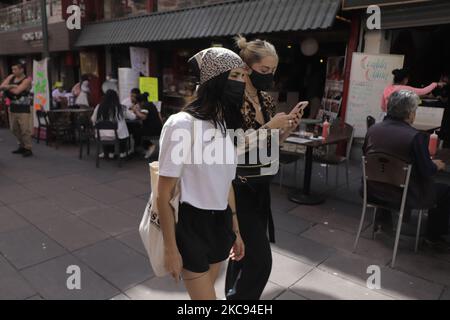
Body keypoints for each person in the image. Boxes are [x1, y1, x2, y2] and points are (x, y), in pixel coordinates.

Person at [157, 47, 246, 300]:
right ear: (215, 80)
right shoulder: (181, 124)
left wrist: (236, 231)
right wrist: (170, 248)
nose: (240, 83)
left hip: (221, 224)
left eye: (242, 77)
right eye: (235, 75)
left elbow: (227, 184)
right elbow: (162, 195)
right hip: (191, 224)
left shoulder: (224, 126)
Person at [225, 36, 304, 300]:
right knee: (261, 262)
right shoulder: (231, 99)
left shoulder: (267, 101)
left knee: (243, 252)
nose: (270, 76)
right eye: (264, 70)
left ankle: (232, 296)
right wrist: (269, 128)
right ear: (247, 68)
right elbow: (231, 148)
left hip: (261, 185)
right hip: (237, 187)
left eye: (273, 71)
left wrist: (286, 129)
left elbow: (270, 145)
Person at [364, 90, 450, 250]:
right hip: (401, 195)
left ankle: (383, 222)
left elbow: (367, 158)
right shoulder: (414, 136)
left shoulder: (373, 130)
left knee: (388, 174)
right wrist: (436, 164)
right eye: (415, 111)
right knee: (445, 191)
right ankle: (434, 237)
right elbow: (426, 170)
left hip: (372, 190)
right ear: (409, 113)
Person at [0, 62, 33, 157]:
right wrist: (11, 85)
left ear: (21, 69)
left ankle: (28, 148)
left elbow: (18, 91)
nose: (13, 71)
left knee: (25, 129)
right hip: (13, 108)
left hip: (24, 108)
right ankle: (21, 145)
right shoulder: (11, 77)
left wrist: (8, 88)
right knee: (14, 129)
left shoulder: (27, 80)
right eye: (12, 69)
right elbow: (1, 87)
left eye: (15, 69)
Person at [381, 68, 445, 115]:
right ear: (405, 79)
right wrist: (435, 84)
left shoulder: (387, 88)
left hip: (387, 116)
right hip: (398, 117)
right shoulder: (404, 88)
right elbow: (424, 91)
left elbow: (383, 106)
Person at [91, 89, 129, 159]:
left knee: (107, 134)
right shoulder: (120, 107)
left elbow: (93, 119)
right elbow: (131, 116)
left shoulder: (99, 107)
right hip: (118, 135)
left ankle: (109, 152)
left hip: (101, 134)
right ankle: (122, 152)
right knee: (123, 133)